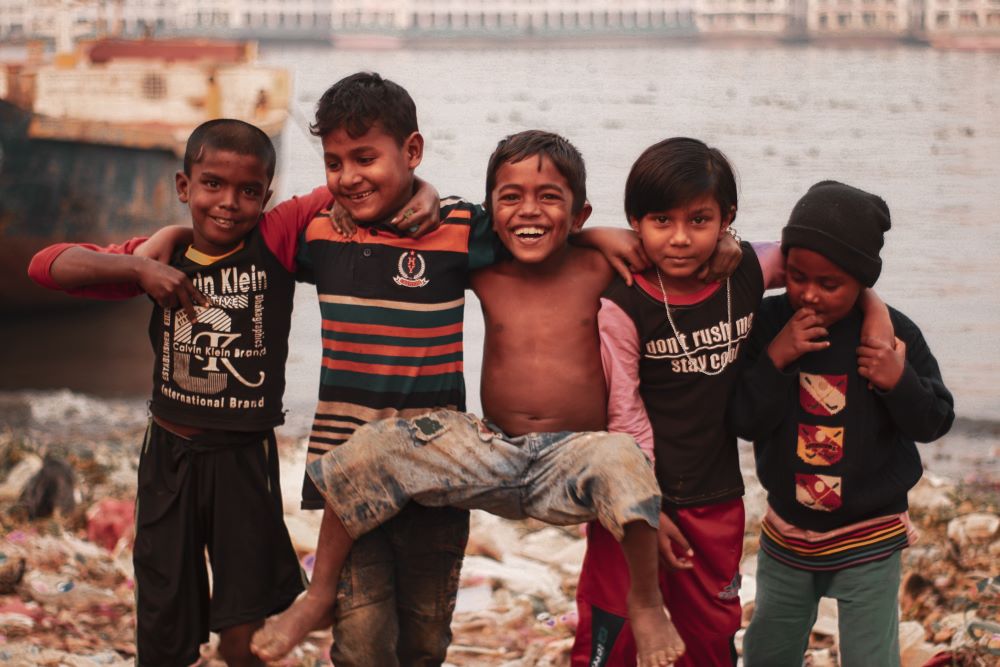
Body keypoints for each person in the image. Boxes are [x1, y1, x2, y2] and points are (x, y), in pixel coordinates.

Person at [252, 130, 741, 666]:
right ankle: (320, 594)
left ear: (579, 215)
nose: (529, 212)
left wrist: (728, 245)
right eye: (511, 198)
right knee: (370, 448)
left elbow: (684, 253)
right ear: (490, 211)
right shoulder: (482, 262)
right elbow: (418, 224)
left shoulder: (604, 266)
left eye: (549, 198)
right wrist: (412, 192)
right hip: (495, 450)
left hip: (572, 461)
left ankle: (645, 606)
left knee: (621, 454)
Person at [571, 139, 894, 667]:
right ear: (634, 221)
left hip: (714, 498)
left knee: (710, 634)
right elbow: (623, 415)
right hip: (628, 500)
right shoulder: (623, 299)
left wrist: (874, 307)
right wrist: (644, 511)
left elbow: (827, 262)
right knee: (613, 632)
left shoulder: (744, 271)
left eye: (699, 220)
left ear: (727, 217)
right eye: (660, 220)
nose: (680, 238)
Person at [25, 119, 331, 667]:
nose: (229, 203)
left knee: (244, 619)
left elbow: (352, 183)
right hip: (169, 458)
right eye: (212, 184)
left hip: (244, 460)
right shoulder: (160, 261)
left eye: (249, 191)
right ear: (183, 186)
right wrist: (140, 266)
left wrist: (422, 191)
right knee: (163, 615)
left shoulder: (277, 240)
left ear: (268, 195)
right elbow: (45, 266)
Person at [729, 181, 954, 666]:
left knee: (871, 657)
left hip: (869, 539)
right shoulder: (769, 324)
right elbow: (745, 420)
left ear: (861, 281)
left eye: (829, 284)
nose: (808, 294)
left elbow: (935, 420)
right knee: (767, 650)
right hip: (787, 533)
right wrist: (776, 358)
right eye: (797, 276)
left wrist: (899, 380)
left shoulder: (892, 334)